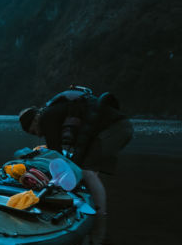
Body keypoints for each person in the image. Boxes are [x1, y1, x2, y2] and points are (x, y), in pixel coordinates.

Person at [18, 86, 133, 215]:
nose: (38, 135)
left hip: (115, 129)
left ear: (35, 120)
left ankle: (100, 215)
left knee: (87, 172)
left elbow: (57, 155)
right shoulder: (55, 111)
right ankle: (95, 209)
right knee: (90, 171)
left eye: (34, 132)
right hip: (120, 127)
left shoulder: (46, 118)